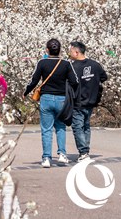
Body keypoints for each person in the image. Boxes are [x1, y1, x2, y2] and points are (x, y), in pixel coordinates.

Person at [23, 38, 79, 168]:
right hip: (61, 99)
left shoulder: (42, 63)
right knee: (60, 127)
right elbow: (75, 81)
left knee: (46, 129)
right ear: (60, 50)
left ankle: (46, 158)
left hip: (46, 98)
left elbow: (34, 80)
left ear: (47, 50)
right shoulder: (66, 64)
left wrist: (26, 92)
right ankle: (62, 154)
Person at [68, 41, 108, 161]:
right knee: (85, 126)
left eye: (70, 51)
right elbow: (104, 77)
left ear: (76, 52)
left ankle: (83, 152)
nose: (69, 54)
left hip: (78, 101)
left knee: (78, 127)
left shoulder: (73, 67)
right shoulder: (95, 65)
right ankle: (85, 150)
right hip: (91, 100)